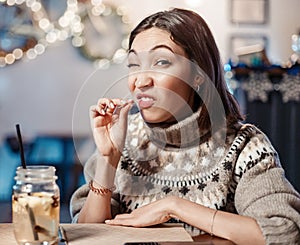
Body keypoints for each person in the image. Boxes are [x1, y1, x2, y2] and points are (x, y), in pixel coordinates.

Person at [70, 8, 300, 244]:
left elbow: (285, 233)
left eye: (161, 62)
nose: (140, 80)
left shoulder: (245, 147)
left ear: (198, 74)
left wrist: (174, 207)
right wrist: (109, 159)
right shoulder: (124, 139)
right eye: (133, 64)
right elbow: (86, 236)